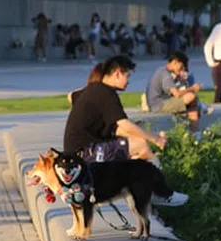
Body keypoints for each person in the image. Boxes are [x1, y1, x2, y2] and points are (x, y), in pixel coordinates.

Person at [63, 55, 188, 206]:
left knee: (135, 151)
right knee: (140, 145)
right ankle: (160, 193)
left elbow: (71, 96)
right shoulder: (106, 93)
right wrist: (155, 139)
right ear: (117, 73)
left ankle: (140, 191)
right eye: (127, 75)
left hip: (77, 151)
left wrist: (152, 135)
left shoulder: (94, 89)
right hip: (86, 153)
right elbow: (124, 124)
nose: (128, 81)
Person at [145, 51, 201, 132]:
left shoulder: (163, 71)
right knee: (191, 97)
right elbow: (177, 94)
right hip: (159, 105)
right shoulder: (165, 74)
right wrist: (192, 88)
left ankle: (195, 129)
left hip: (161, 102)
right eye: (181, 67)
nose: (182, 70)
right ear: (175, 62)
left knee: (192, 102)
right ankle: (195, 131)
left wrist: (182, 80)